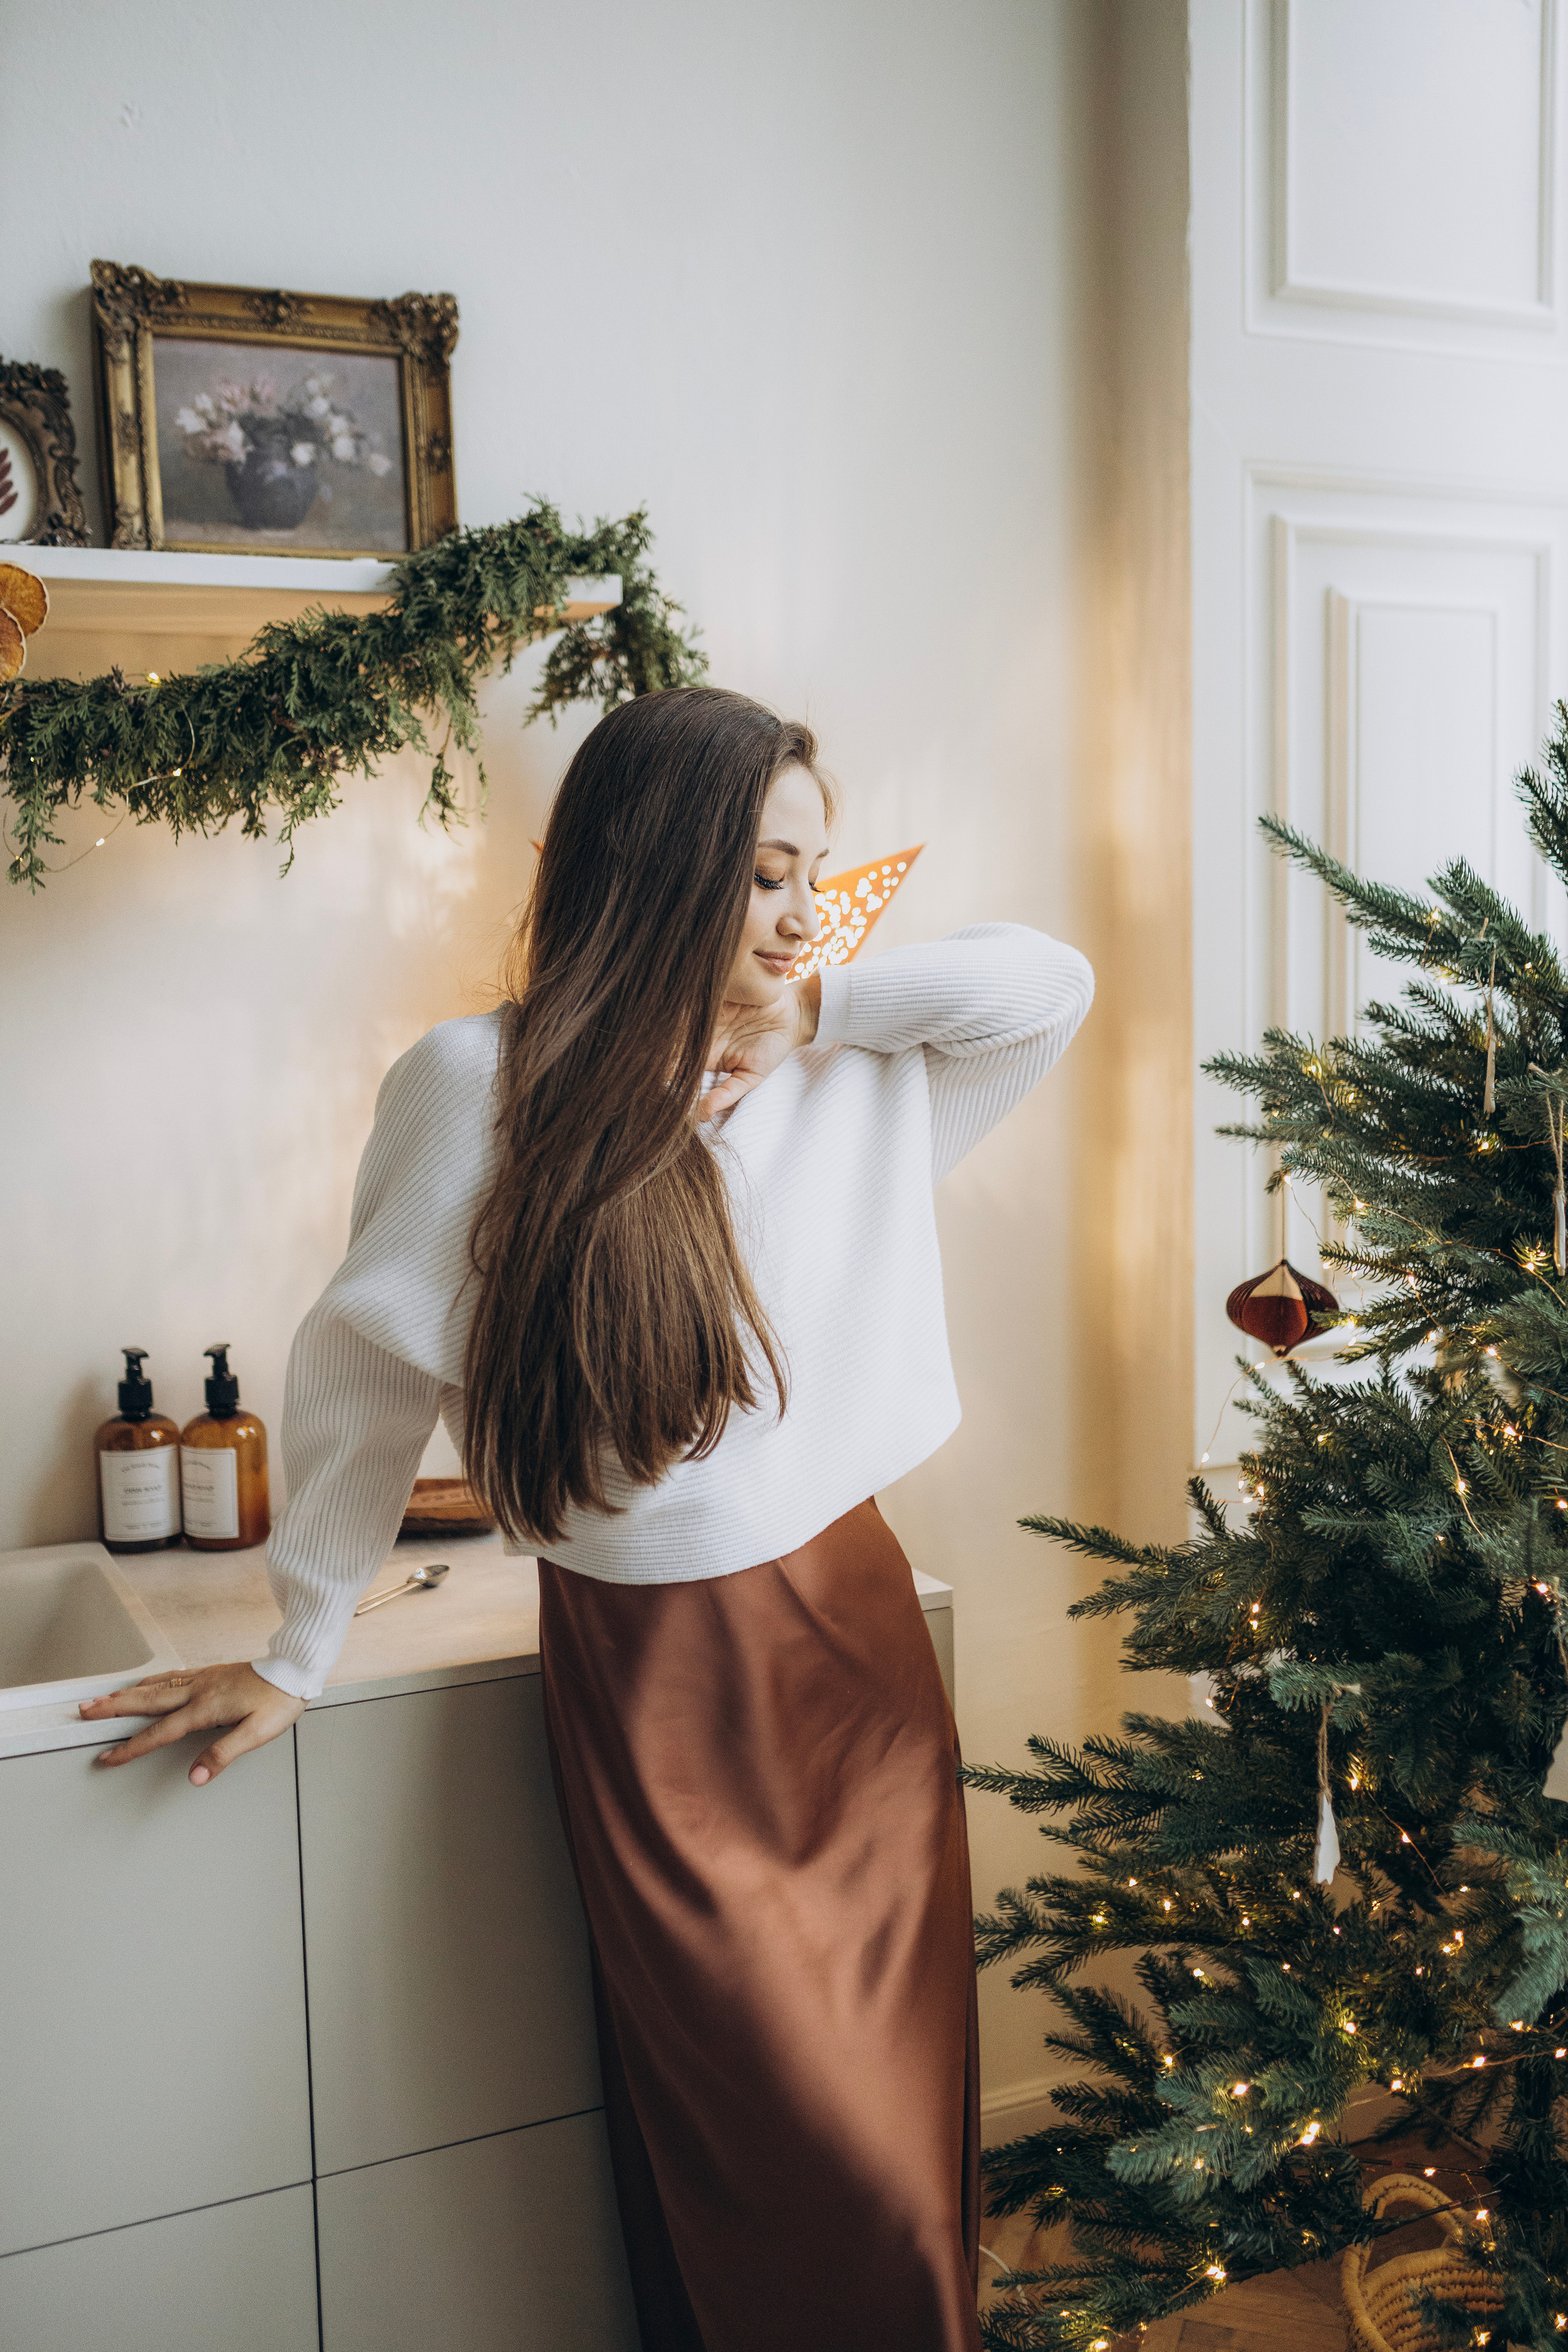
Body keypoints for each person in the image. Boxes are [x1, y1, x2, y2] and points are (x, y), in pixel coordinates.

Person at [83, 687, 1093, 2352]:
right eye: (764, 873)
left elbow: (1046, 986)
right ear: (662, 860)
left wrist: (805, 1004)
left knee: (900, 2160)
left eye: (812, 876)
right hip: (658, 1679)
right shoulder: (478, 1084)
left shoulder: (852, 1075)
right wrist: (298, 1646)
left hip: (856, 1643)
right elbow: (364, 1373)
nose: (797, 913)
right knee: (767, 2144)